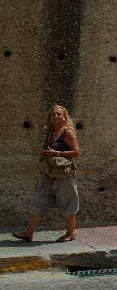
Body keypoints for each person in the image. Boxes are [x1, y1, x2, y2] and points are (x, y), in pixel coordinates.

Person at [12, 104, 80, 243]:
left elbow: (76, 152)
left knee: (68, 202)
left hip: (63, 174)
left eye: (58, 114)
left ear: (64, 117)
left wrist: (57, 153)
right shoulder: (50, 133)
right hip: (48, 173)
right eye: (53, 114)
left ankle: (70, 233)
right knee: (37, 200)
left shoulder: (67, 132)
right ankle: (28, 233)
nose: (55, 116)